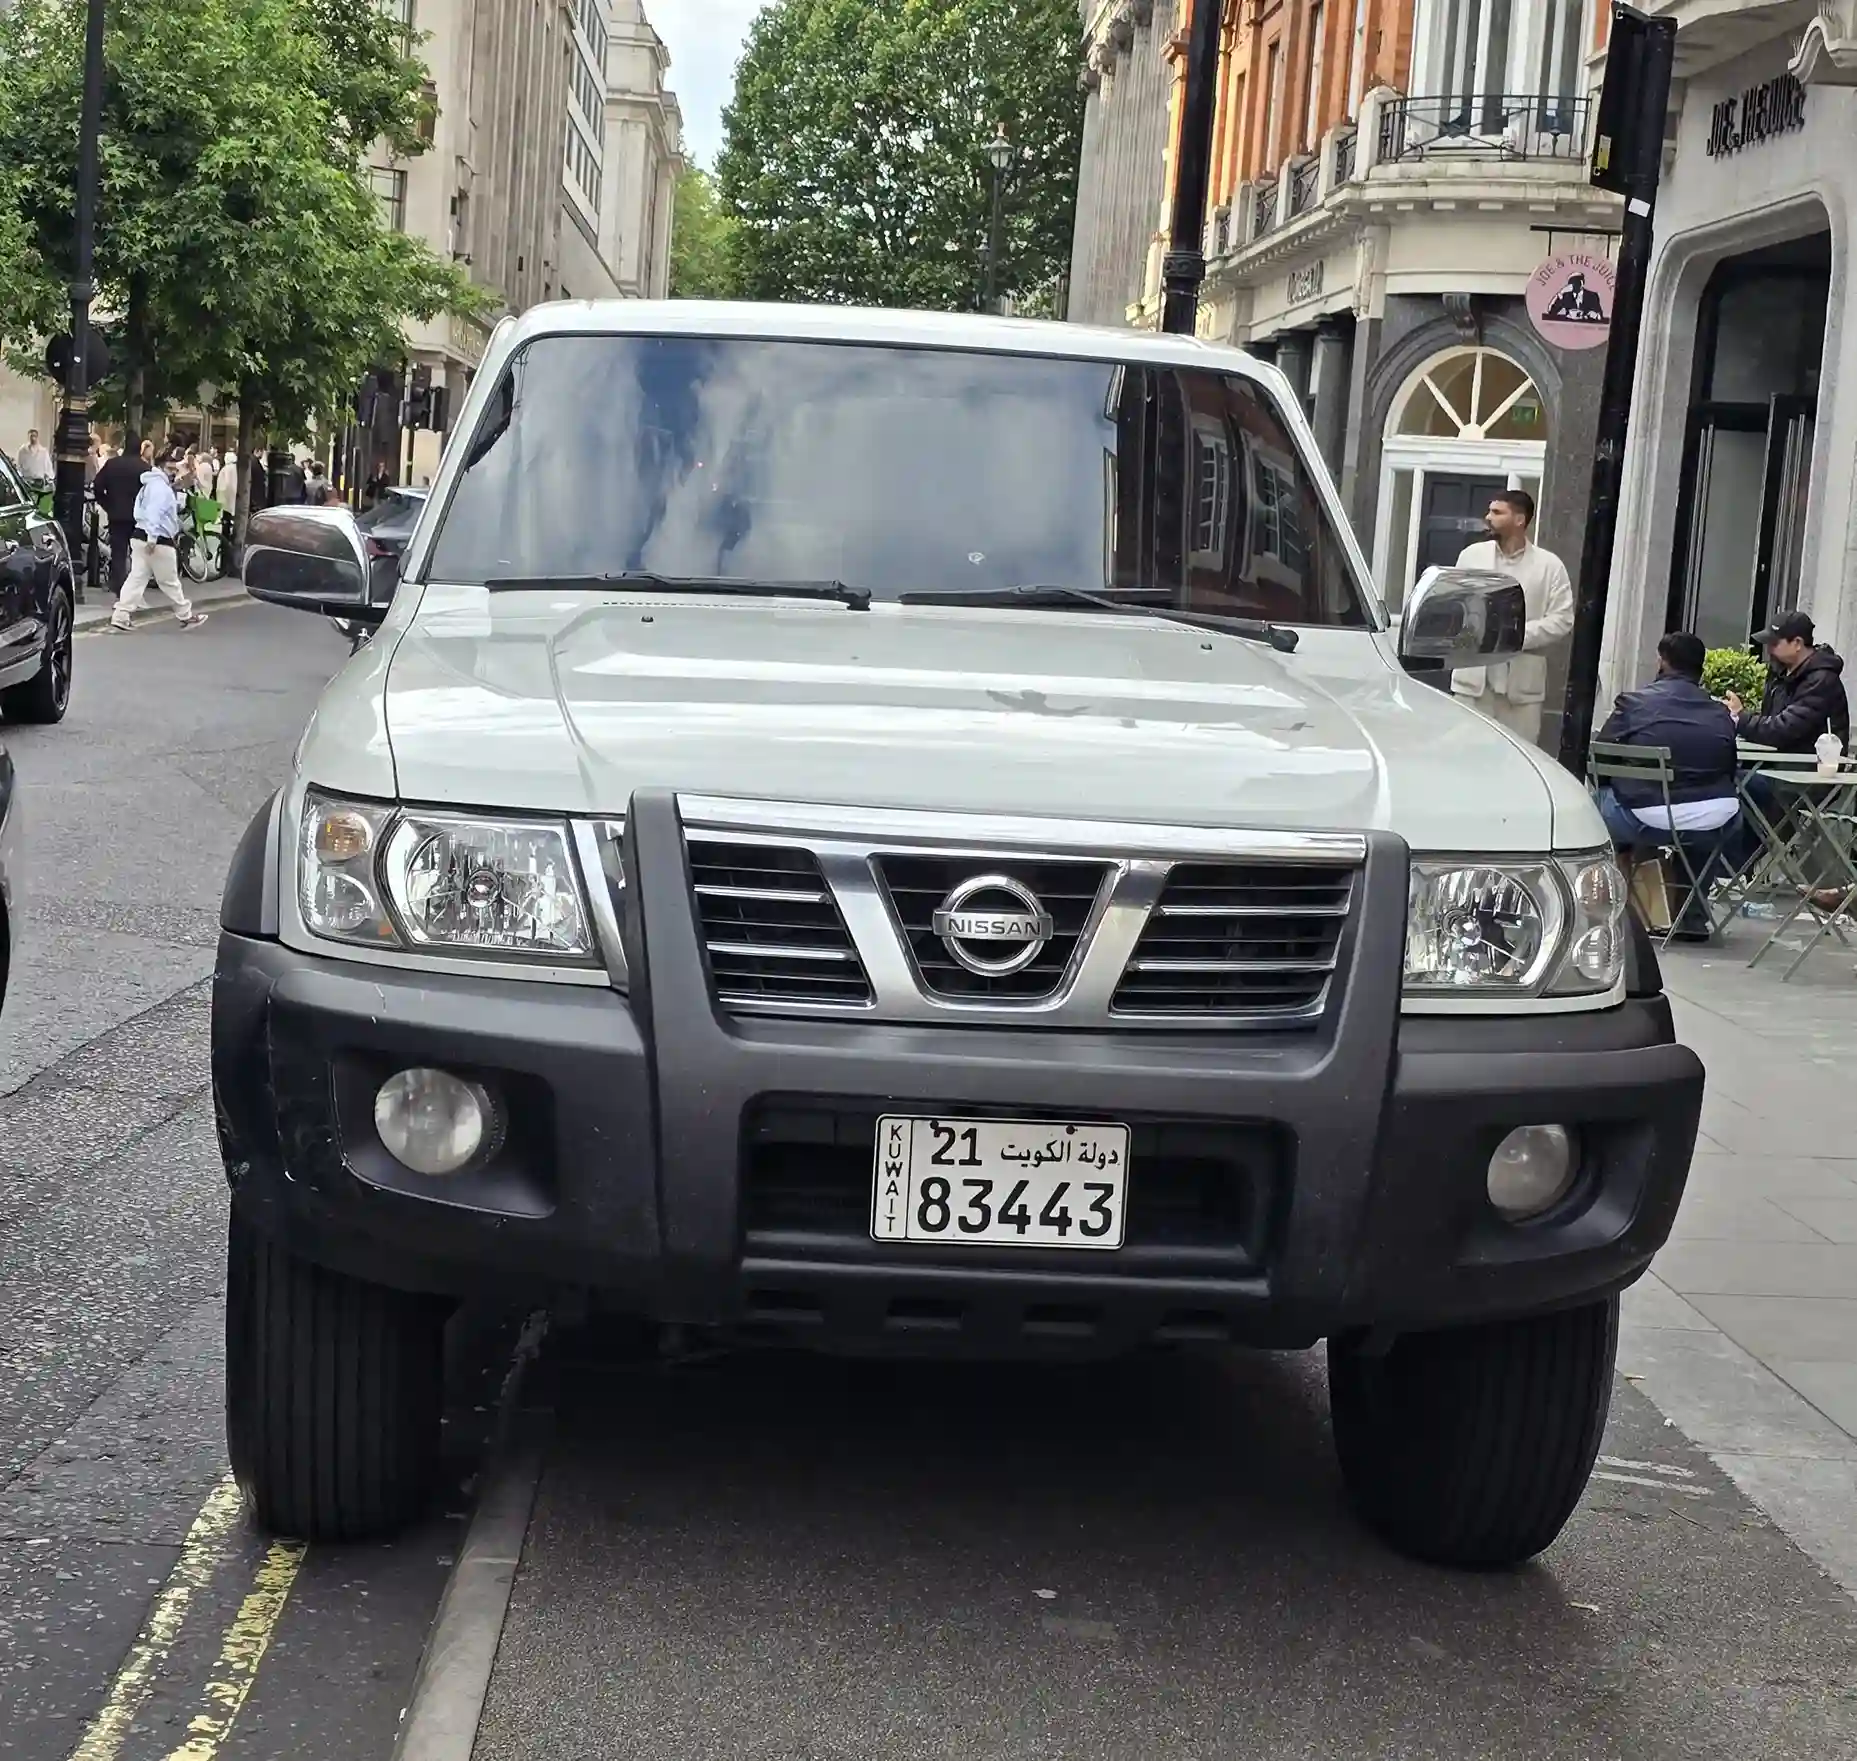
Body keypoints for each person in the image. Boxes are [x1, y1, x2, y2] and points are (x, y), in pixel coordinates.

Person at [1593, 631, 1740, 940]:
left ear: (1662, 661)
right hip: (1714, 820)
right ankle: (1692, 917)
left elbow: (1599, 759)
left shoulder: (1633, 703)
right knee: (1704, 824)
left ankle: (1612, 906)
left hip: (1643, 818)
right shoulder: (1721, 713)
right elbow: (1729, 770)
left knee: (1599, 800)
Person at [1723, 611, 1851, 902]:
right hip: (1779, 767)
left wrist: (1741, 718)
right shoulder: (1782, 674)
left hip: (1808, 777)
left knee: (1738, 784)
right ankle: (1731, 868)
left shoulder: (1821, 681)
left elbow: (1783, 728)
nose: (1770, 649)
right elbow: (1772, 724)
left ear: (1797, 643)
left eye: (1775, 643)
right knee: (1729, 778)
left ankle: (1730, 867)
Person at [1449, 488, 1575, 745]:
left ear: (1519, 520)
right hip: (1473, 683)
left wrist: (1514, 636)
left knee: (1520, 758)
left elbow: (1562, 619)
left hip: (1522, 691)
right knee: (1463, 755)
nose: (1488, 517)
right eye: (1489, 511)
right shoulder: (1471, 556)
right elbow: (1453, 604)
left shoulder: (1550, 565)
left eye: (1497, 512)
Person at [110, 453, 207, 631]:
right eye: (170, 468)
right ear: (161, 467)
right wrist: (152, 537)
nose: (173, 472)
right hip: (158, 540)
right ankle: (186, 616)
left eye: (175, 469)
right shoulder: (160, 488)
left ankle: (121, 615)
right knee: (169, 581)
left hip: (139, 535)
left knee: (136, 578)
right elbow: (154, 512)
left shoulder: (150, 485)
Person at [93, 431, 146, 595]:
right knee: (139, 554)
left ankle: (119, 586)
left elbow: (97, 486)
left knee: (118, 552)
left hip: (117, 514)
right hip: (139, 516)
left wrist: (107, 504)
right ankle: (135, 586)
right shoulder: (145, 468)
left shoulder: (112, 465)